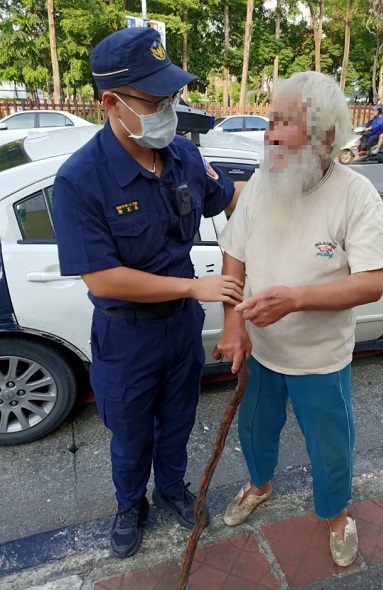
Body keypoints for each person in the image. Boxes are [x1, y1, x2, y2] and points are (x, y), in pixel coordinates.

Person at [52, 27, 245, 558]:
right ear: (111, 102)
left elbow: (231, 200)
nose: (168, 109)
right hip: (126, 334)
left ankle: (173, 489)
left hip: (179, 327)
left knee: (179, 418)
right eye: (155, 101)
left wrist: (299, 186)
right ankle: (129, 504)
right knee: (131, 431)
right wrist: (193, 285)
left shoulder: (181, 154)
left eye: (172, 97)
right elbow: (102, 278)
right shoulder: (80, 179)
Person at [214, 71, 383, 567]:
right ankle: (259, 485)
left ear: (323, 135)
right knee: (255, 429)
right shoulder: (263, 180)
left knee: (330, 444)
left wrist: (295, 298)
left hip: (321, 358)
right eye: (270, 119)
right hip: (260, 349)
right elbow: (233, 256)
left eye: (283, 122)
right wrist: (233, 322)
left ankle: (337, 514)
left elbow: (371, 283)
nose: (268, 131)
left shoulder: (354, 193)